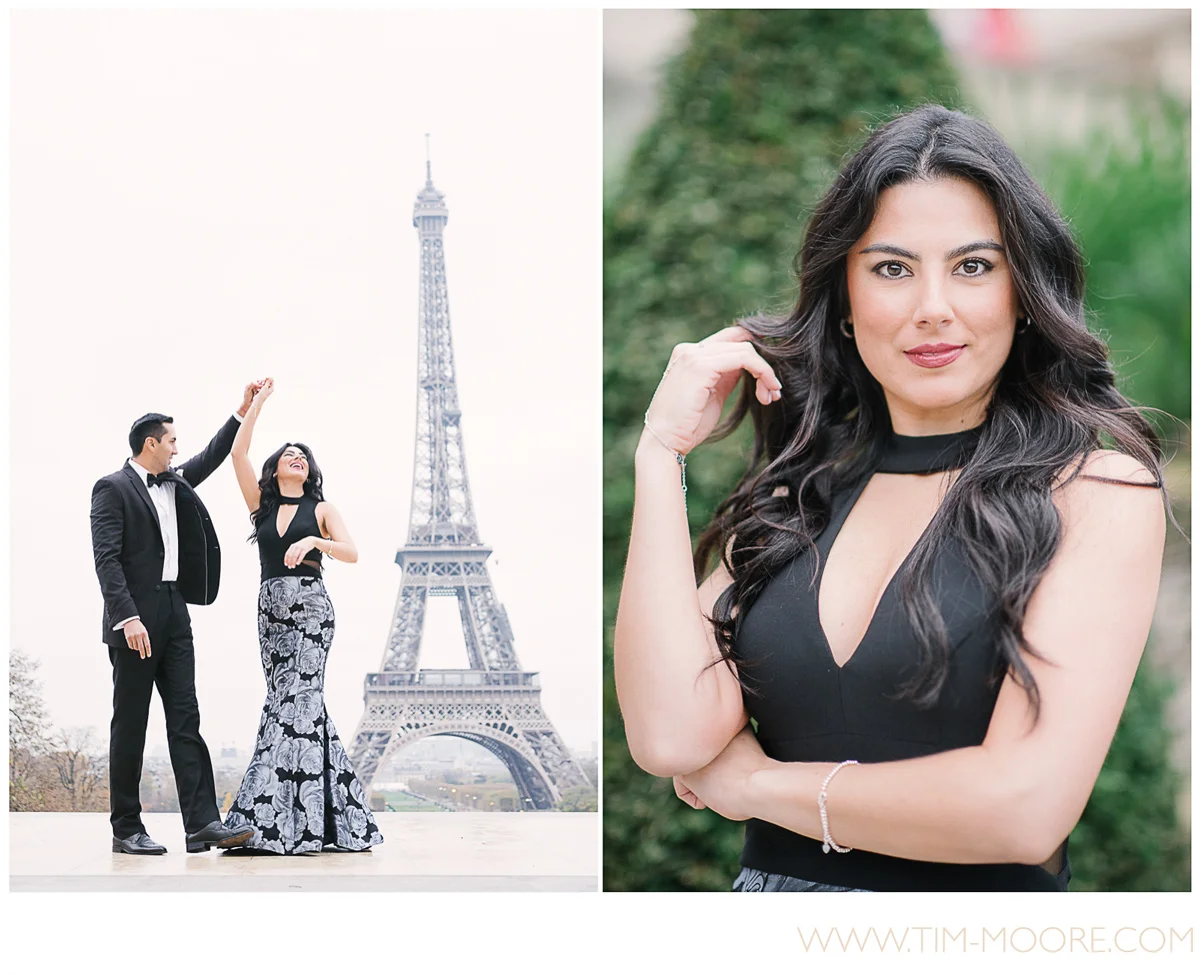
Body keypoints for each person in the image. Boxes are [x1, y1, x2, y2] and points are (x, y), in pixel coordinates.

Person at [613, 104, 1169, 892]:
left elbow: (1025, 807)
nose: (932, 307)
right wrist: (659, 451)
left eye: (974, 266)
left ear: (1023, 292)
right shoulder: (797, 495)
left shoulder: (1096, 493)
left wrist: (757, 787)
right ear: (844, 297)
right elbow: (669, 735)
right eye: (892, 267)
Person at [91, 384, 263, 855]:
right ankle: (126, 828)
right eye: (171, 441)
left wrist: (241, 413)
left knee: (186, 718)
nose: (177, 449)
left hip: (175, 612)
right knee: (131, 723)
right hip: (135, 621)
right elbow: (106, 559)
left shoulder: (175, 480)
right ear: (151, 443)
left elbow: (210, 456)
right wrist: (127, 619)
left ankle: (202, 824)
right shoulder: (112, 488)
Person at [222, 378, 383, 854]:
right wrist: (258, 404)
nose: (297, 456)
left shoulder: (323, 508)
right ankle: (331, 819)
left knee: (296, 703)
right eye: (288, 453)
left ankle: (272, 818)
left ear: (310, 470)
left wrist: (315, 541)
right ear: (274, 470)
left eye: (303, 454)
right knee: (290, 707)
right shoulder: (262, 506)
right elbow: (237, 455)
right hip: (271, 612)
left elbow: (352, 553)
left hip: (312, 609)